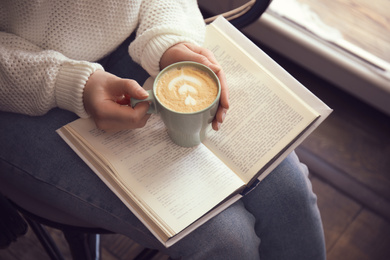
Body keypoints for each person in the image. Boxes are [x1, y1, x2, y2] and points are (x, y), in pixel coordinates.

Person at [0, 1, 326, 259]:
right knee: (225, 239)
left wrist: (169, 41)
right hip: (15, 90)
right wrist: (65, 83)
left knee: (289, 193)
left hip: (132, 39)